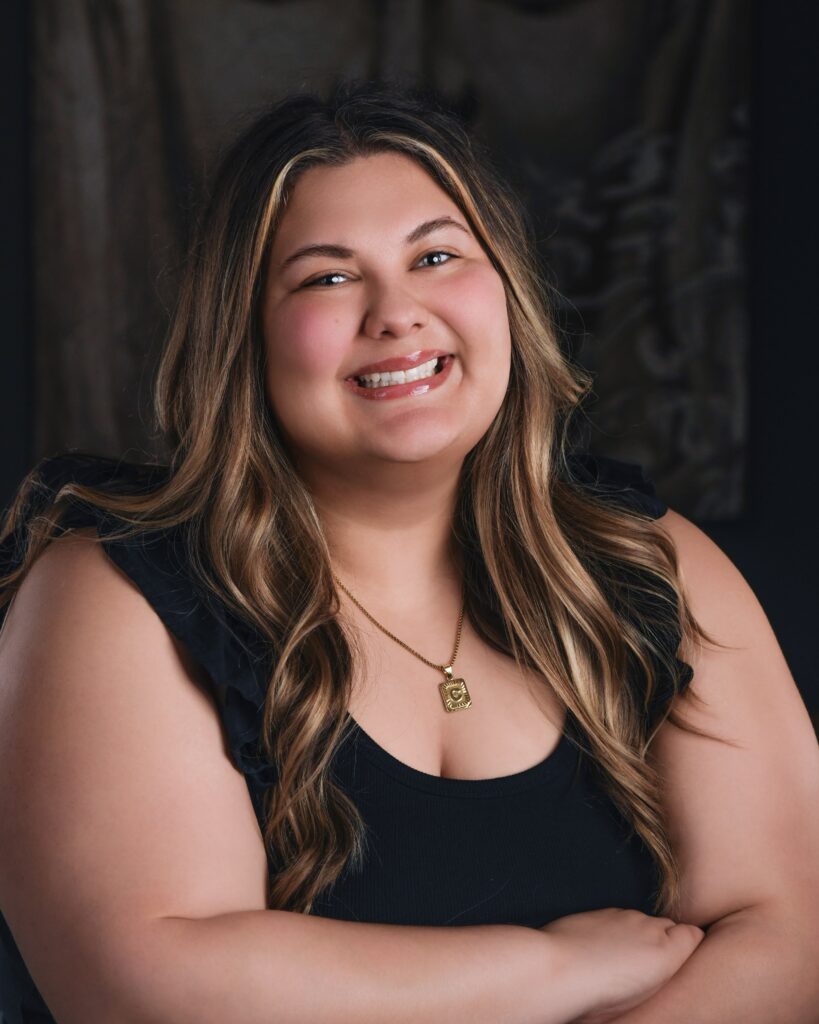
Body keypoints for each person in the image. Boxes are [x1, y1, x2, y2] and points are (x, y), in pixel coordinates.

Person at [0, 79, 817, 1024]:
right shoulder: (113, 594)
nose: (396, 313)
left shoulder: (647, 562)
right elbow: (152, 987)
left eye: (435, 256)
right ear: (243, 334)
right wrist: (551, 967)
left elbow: (789, 932)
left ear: (505, 292)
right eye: (326, 277)